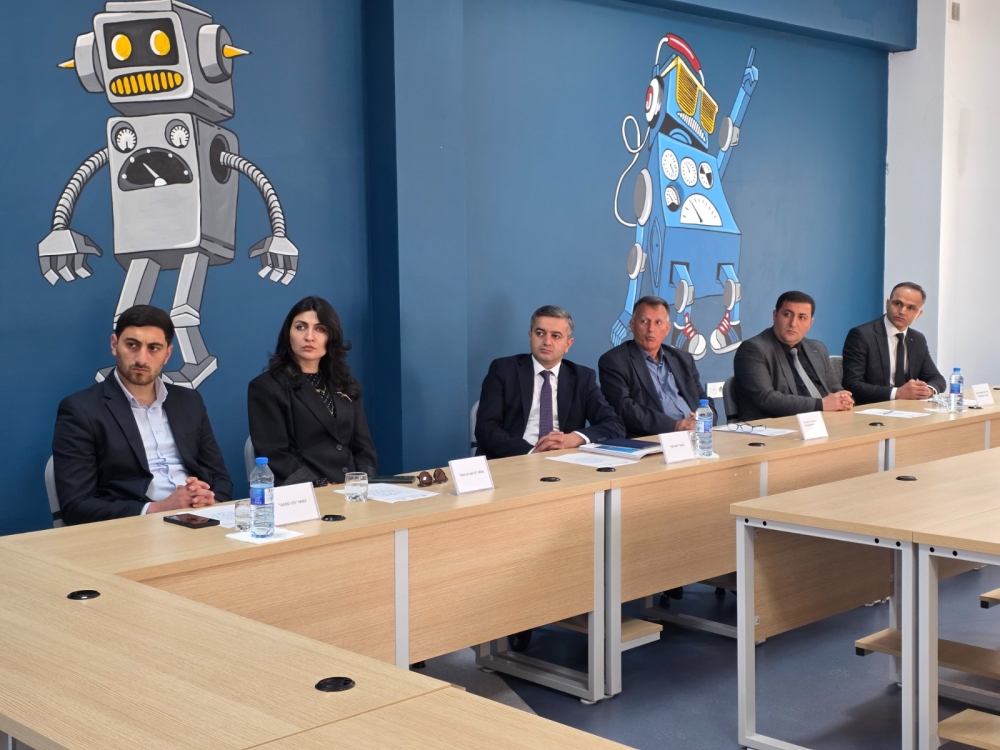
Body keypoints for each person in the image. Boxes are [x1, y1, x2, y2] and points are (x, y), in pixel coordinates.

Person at [52, 305, 232, 525]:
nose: (141, 359)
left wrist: (210, 501)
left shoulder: (189, 401)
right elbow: (76, 505)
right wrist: (158, 509)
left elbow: (219, 477)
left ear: (167, 354)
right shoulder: (81, 409)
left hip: (201, 521)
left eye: (154, 348)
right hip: (134, 529)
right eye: (132, 345)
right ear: (114, 344)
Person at [248, 296, 377, 486]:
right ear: (288, 334)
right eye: (301, 327)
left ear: (331, 337)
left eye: (320, 329)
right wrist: (320, 485)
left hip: (351, 490)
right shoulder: (267, 387)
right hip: (304, 492)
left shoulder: (347, 385)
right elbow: (275, 455)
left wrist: (363, 481)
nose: (309, 337)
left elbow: (363, 448)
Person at [475, 305, 625, 459]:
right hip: (515, 457)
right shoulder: (503, 370)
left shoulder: (582, 378)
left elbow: (614, 425)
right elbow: (486, 428)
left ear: (568, 344)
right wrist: (531, 452)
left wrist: (574, 438)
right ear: (530, 336)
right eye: (540, 333)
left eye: (556, 336)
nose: (547, 341)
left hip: (563, 460)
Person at [599, 295, 714, 437]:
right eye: (644, 321)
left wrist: (703, 420)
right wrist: (674, 425)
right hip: (650, 438)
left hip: (695, 434)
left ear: (667, 328)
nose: (651, 329)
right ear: (632, 325)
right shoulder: (614, 361)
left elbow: (703, 399)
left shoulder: (683, 359)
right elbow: (623, 408)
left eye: (658, 322)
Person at [733, 291, 854, 421]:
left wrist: (844, 399)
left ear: (810, 323)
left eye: (802, 317)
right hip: (778, 425)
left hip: (825, 421)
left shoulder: (817, 348)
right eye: (787, 315)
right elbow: (766, 399)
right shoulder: (753, 349)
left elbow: (835, 387)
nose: (793, 323)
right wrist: (822, 404)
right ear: (775, 315)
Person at [841, 282, 945, 405]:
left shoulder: (918, 339)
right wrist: (897, 393)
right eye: (897, 303)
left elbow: (937, 379)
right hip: (873, 407)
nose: (902, 311)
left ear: (919, 314)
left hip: (907, 408)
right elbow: (852, 384)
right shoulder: (862, 335)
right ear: (887, 303)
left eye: (911, 308)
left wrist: (928, 390)